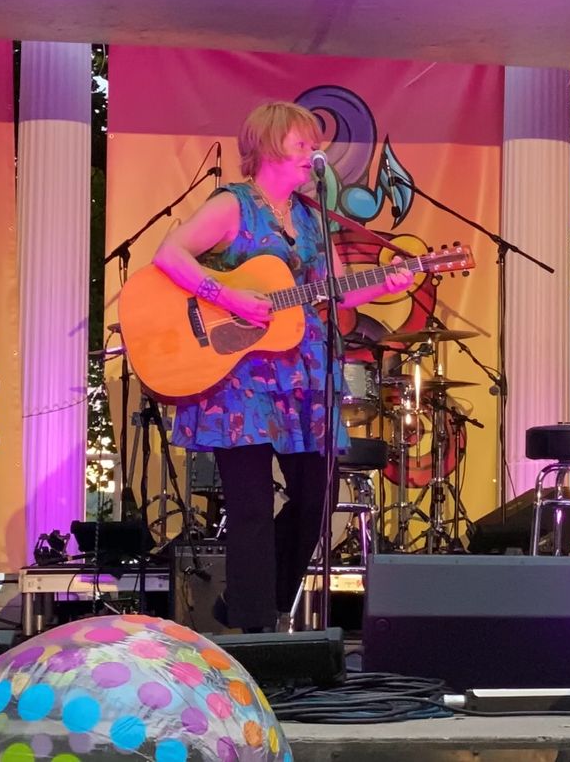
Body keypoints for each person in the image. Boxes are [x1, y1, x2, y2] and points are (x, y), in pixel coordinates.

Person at [152, 101, 413, 632]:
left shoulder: (314, 219)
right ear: (269, 146)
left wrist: (384, 285)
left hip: (304, 375)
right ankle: (256, 629)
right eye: (301, 143)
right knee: (249, 506)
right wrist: (227, 295)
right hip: (238, 376)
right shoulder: (233, 205)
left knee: (318, 499)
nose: (313, 152)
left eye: (314, 144)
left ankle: (250, 600)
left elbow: (340, 298)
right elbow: (169, 254)